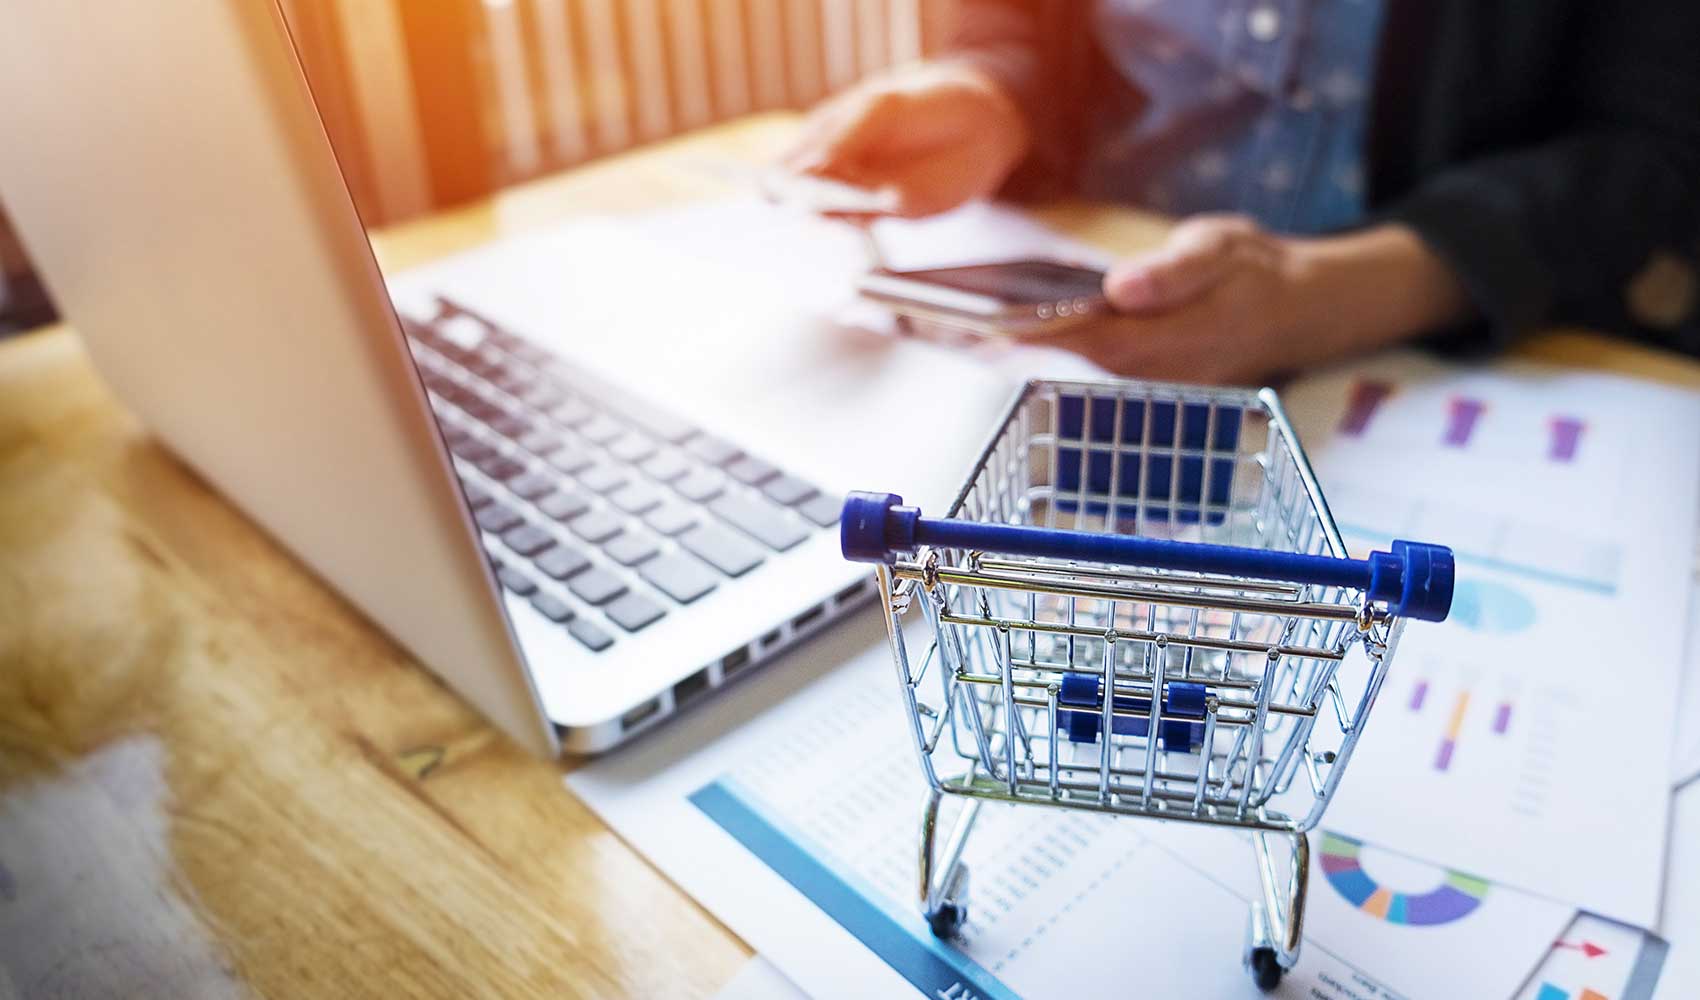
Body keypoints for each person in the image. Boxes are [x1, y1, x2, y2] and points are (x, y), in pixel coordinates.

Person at [783, 1, 1700, 382]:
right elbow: (1019, 19)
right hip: (1054, 326)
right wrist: (996, 92)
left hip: (1432, 356)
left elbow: (1656, 148)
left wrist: (1343, 295)